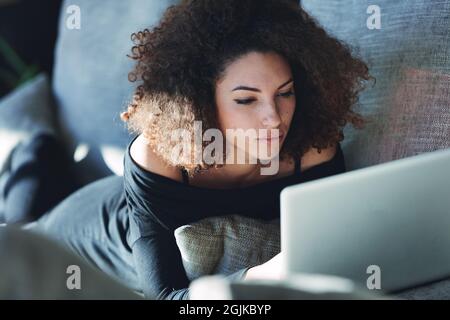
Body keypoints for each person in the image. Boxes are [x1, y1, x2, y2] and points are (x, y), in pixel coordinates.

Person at [4, 0, 371, 299]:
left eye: (285, 93)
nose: (273, 118)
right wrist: (268, 276)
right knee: (22, 221)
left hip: (107, 200)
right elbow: (166, 298)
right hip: (78, 228)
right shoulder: (160, 158)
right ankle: (32, 140)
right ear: (200, 102)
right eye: (246, 100)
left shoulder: (312, 150)